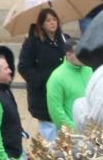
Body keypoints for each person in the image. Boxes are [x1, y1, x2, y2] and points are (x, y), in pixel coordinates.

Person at [19, 10, 70, 141]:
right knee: (51, 136)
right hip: (44, 95)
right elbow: (24, 67)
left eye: (54, 19)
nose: (52, 23)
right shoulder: (33, 43)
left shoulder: (64, 39)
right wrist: (43, 79)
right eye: (48, 20)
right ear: (41, 24)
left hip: (64, 93)